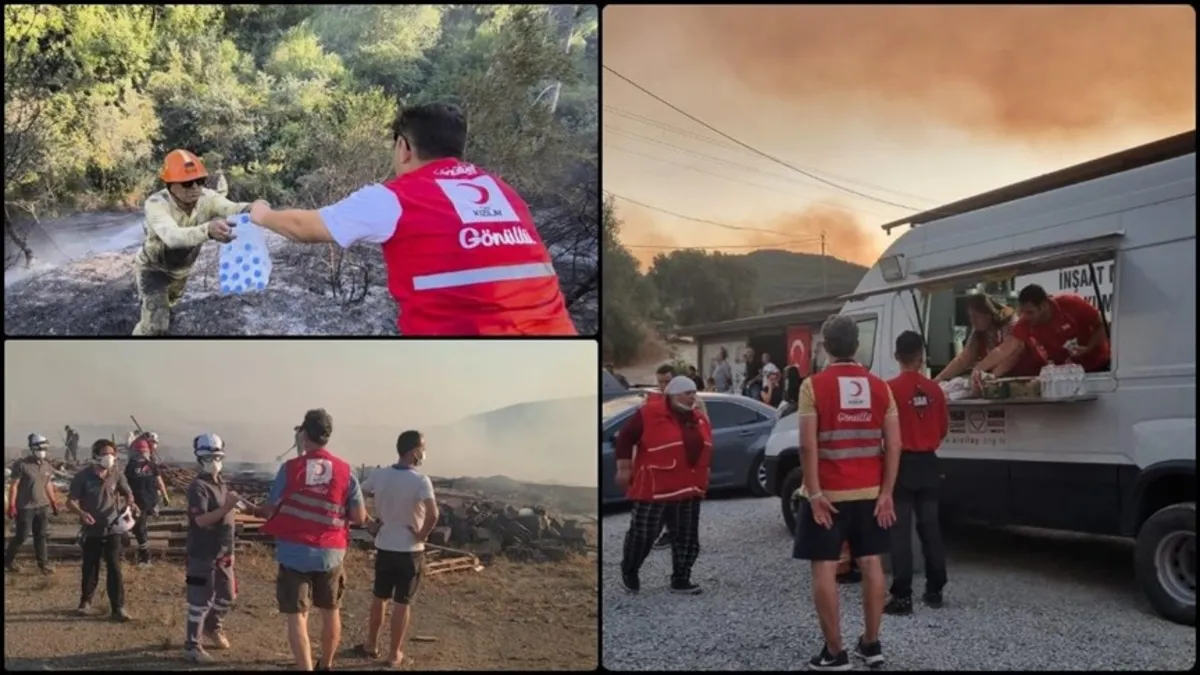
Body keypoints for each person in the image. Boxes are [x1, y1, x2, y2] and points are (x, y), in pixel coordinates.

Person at [245, 102, 576, 336]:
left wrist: (261, 213)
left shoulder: (396, 197)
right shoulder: (503, 191)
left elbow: (305, 228)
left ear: (404, 147)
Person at [793, 315, 900, 671]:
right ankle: (871, 644)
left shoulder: (812, 385)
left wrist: (814, 492)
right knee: (872, 563)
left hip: (828, 496)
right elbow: (894, 445)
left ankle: (835, 652)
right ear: (857, 346)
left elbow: (808, 445)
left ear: (825, 346)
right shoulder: (880, 387)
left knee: (824, 568)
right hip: (870, 493)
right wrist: (887, 493)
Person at [251, 409, 368, 671]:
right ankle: (325, 664)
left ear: (303, 433)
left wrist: (254, 509)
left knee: (297, 616)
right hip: (330, 552)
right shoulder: (345, 471)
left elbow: (270, 508)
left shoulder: (290, 469)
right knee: (330, 610)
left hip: (294, 552)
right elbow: (359, 516)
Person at [133, 149, 264, 335]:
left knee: (169, 312)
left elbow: (231, 208)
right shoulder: (156, 204)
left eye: (200, 181)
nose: (195, 187)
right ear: (170, 184)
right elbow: (173, 237)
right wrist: (208, 230)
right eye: (187, 183)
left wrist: (252, 208)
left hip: (181, 272)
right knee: (155, 325)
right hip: (153, 270)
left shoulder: (207, 197)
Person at [615, 376, 714, 595]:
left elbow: (707, 448)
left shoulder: (699, 418)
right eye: (687, 393)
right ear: (673, 394)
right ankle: (630, 570)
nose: (692, 397)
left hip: (688, 487)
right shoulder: (648, 414)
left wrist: (705, 473)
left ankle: (681, 578)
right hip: (655, 486)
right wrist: (624, 468)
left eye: (694, 393)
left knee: (687, 537)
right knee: (643, 533)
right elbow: (624, 437)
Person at [356, 431, 439, 668]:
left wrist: (370, 522)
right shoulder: (421, 481)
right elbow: (433, 514)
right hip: (409, 551)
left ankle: (371, 644)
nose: (424, 453)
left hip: (384, 546)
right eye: (423, 448)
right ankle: (394, 654)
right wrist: (422, 535)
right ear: (414, 451)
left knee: (379, 598)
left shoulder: (380, 475)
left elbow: (356, 496)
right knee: (402, 603)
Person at [884, 331, 950, 616]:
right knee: (930, 527)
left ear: (896, 356)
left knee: (900, 531)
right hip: (929, 463)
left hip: (901, 464)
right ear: (922, 356)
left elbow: (882, 431)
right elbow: (943, 428)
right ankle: (935, 589)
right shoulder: (935, 390)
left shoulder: (889, 389)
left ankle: (902, 596)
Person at [182, 433, 241, 663]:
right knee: (199, 600)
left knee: (227, 595)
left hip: (224, 552)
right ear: (199, 458)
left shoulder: (222, 483)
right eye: (209, 457)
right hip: (201, 554)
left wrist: (231, 551)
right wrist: (227, 506)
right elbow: (201, 521)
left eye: (217, 456)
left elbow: (229, 519)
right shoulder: (198, 488)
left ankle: (212, 627)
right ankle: (192, 646)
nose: (214, 461)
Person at [67, 439, 138, 620]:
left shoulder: (116, 474)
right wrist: (81, 513)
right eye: (106, 453)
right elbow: (70, 502)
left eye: (112, 454)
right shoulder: (82, 477)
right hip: (91, 530)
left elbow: (128, 493)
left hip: (113, 529)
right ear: (96, 455)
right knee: (90, 567)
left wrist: (130, 503)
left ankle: (118, 608)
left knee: (115, 568)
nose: (110, 457)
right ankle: (85, 602)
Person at [974, 284, 1111, 377]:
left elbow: (1103, 325)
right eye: (1023, 312)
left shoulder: (1071, 303)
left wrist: (1088, 347)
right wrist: (978, 371)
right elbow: (1004, 349)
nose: (1026, 317)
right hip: (1067, 376)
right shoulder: (1025, 321)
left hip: (1099, 367)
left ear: (1044, 306)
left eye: (1030, 312)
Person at [933, 293, 1045, 383]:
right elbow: (964, 358)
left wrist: (990, 374)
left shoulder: (1010, 322)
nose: (972, 321)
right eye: (970, 317)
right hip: (1002, 381)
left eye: (976, 316)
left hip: (1028, 379)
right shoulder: (978, 331)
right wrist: (939, 379)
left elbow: (1012, 354)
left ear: (988, 314)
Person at [5, 433, 60, 574]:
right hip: (25, 507)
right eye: (39, 447)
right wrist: (11, 505)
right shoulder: (21, 465)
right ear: (32, 448)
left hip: (42, 506)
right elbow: (14, 486)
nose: (42, 450)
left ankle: (43, 565)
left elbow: (47, 484)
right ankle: (8, 561)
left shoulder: (47, 465)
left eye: (44, 447)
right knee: (22, 536)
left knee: (40, 536)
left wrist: (53, 502)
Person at [125, 437, 169, 566]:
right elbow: (160, 482)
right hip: (150, 500)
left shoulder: (131, 466)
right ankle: (143, 553)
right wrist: (165, 496)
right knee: (139, 527)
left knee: (140, 529)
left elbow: (125, 485)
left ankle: (146, 557)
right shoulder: (152, 465)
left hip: (139, 502)